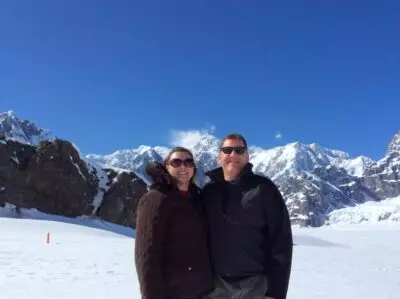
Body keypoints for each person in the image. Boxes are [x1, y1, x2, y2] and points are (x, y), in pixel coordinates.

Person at [201, 133, 293, 299]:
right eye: (227, 150)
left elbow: (281, 242)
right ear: (219, 157)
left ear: (247, 155)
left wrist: (276, 292)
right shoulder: (208, 192)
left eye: (239, 150)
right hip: (214, 286)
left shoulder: (264, 189)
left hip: (255, 286)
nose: (233, 155)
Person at [135, 147, 214, 299]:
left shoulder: (196, 198)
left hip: (202, 291)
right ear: (166, 167)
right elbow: (146, 254)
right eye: (176, 162)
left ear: (194, 168)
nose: (183, 166)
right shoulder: (156, 198)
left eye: (188, 162)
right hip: (173, 292)